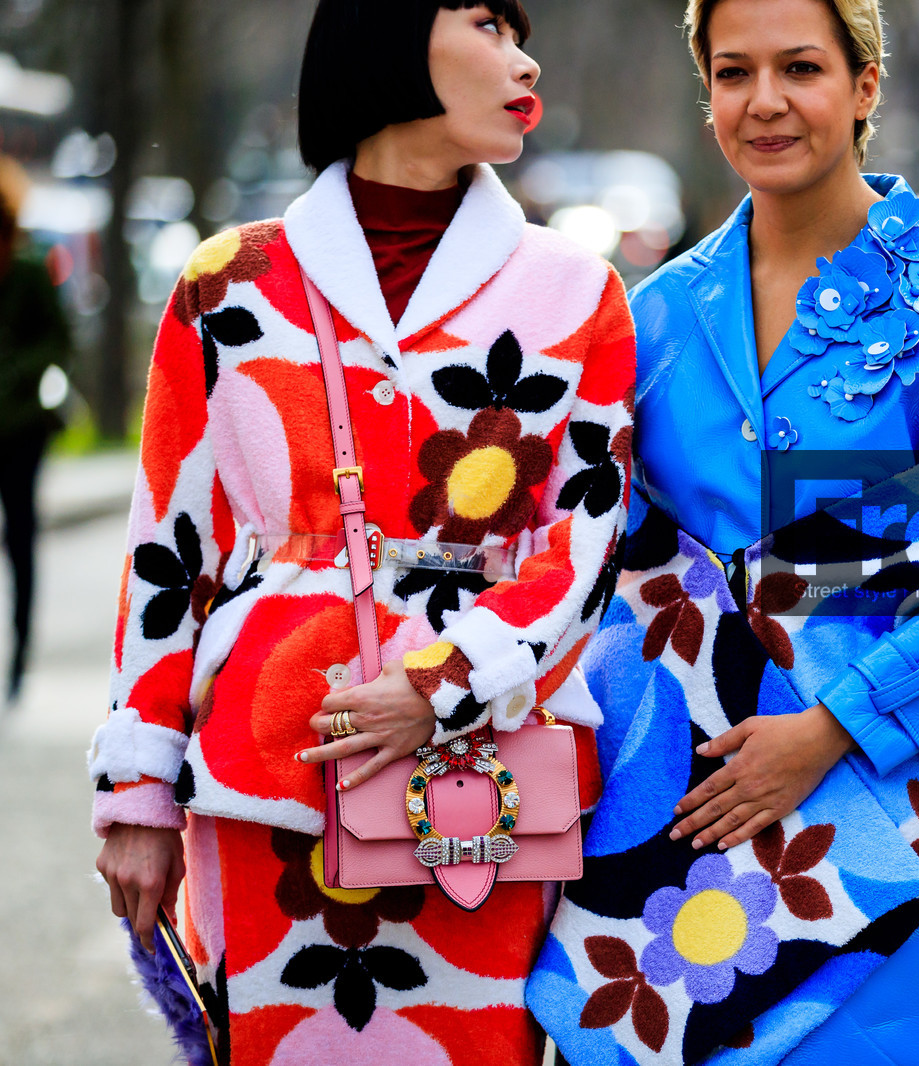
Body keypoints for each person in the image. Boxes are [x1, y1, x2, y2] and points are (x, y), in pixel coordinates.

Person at [529, 1, 919, 1063]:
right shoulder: (654, 315)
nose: (765, 101)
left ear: (864, 87)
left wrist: (829, 725)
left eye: (801, 68)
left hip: (900, 810)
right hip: (689, 821)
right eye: (733, 73)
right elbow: (602, 562)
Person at [89, 2, 634, 1061]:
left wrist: (442, 678)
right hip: (260, 778)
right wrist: (137, 792)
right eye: (489, 23)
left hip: (483, 772)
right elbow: (168, 550)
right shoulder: (228, 284)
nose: (525, 58)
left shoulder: (575, 292)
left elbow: (585, 545)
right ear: (386, 38)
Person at [0, 157, 72, 705]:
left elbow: (57, 340)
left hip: (21, 427)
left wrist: (19, 371)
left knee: (20, 535)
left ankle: (20, 655)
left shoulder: (28, 270)